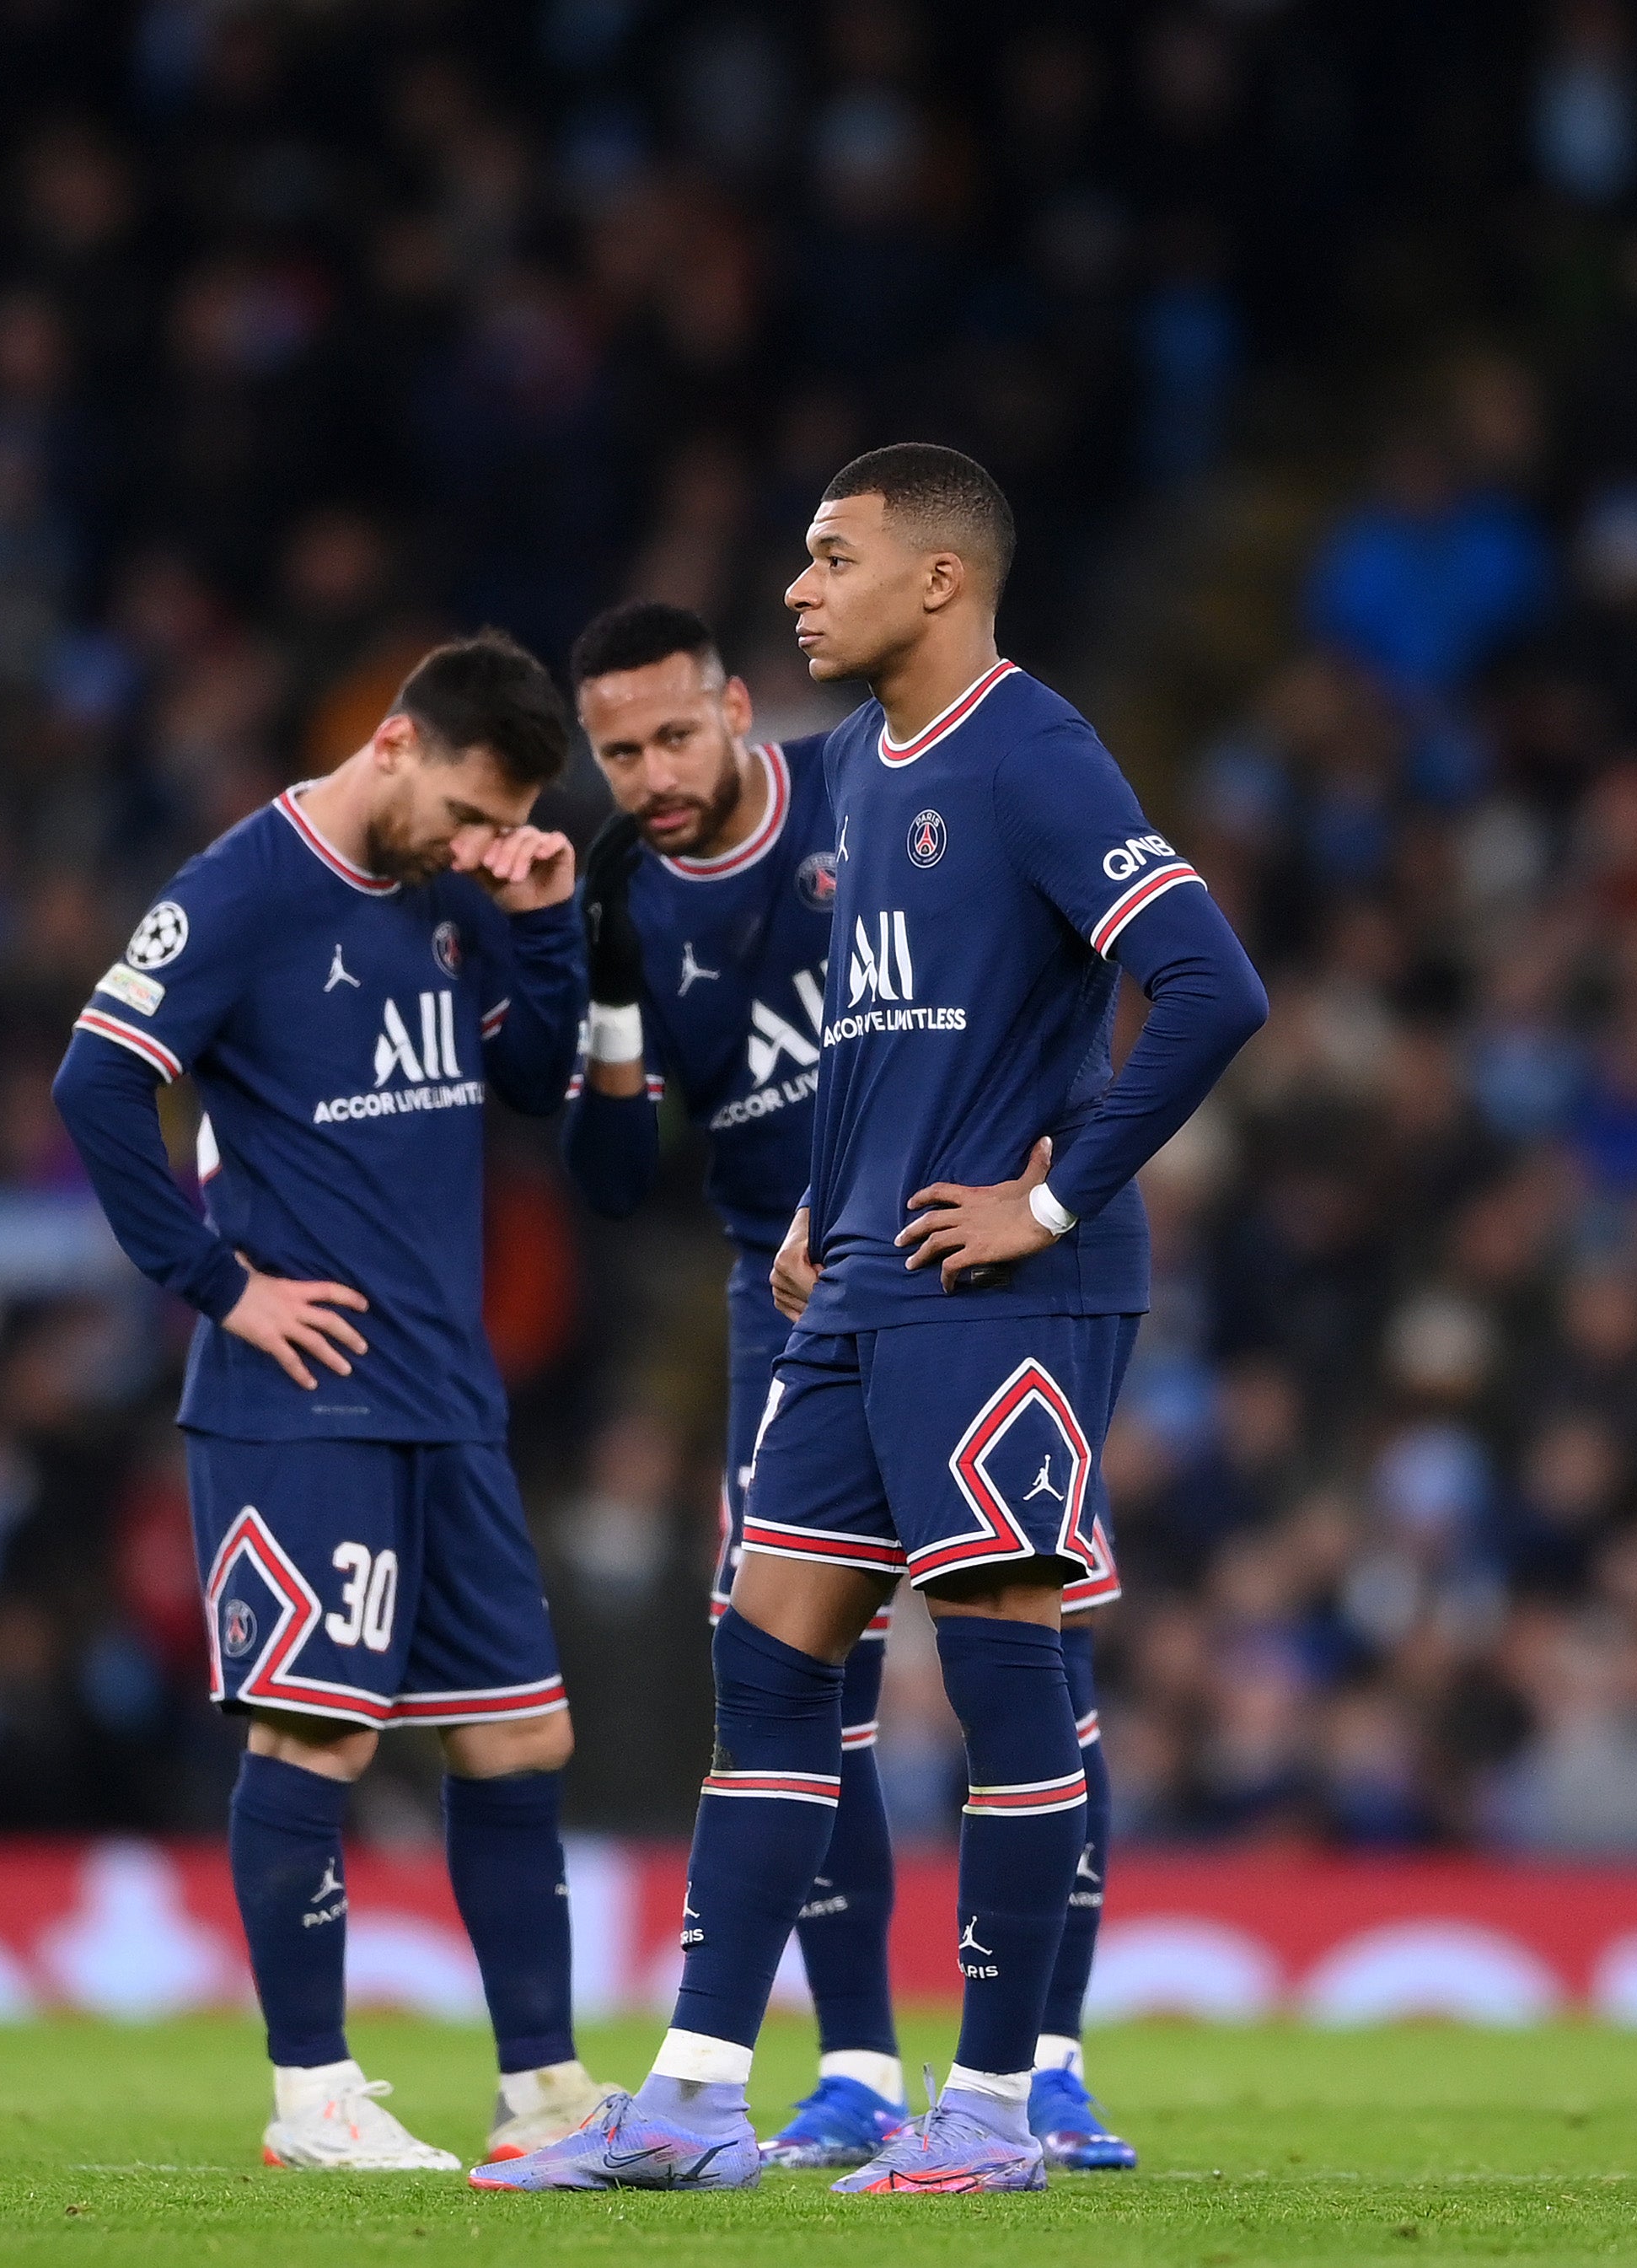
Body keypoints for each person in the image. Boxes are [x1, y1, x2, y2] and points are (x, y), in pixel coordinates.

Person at [484, 447, 1265, 2195]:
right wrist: (830, 1206)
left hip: (999, 1286)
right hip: (855, 1282)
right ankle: (692, 2098)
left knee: (1005, 1682)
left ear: (936, 579)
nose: (795, 585)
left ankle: (992, 2104)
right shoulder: (848, 773)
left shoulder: (1031, 748)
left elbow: (1211, 982)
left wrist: (1049, 1198)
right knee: (766, 1658)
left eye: (830, 556)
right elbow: (872, 1027)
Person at [556, 598, 1140, 2172]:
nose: (654, 772)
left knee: (1024, 1642)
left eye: (675, 732)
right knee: (790, 1665)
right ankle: (857, 2069)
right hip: (787, 1288)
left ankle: (1044, 2066)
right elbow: (614, 1174)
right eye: (617, 751)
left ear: (737, 707)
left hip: (954, 1264)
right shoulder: (625, 893)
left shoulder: (870, 784)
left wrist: (1055, 1191)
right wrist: (605, 987)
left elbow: (1089, 977)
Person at [51, 631, 605, 2172]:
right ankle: (313, 2096)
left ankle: (546, 2097)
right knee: (314, 1741)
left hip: (447, 1391)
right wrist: (222, 1286)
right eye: (473, 813)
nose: (482, 845)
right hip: (302, 1399)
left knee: (519, 1742)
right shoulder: (241, 887)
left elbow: (535, 1080)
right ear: (394, 747)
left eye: (506, 826)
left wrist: (544, 925)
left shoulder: (459, 894)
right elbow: (95, 1081)